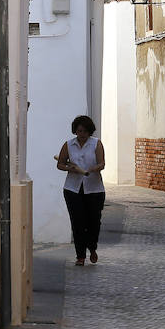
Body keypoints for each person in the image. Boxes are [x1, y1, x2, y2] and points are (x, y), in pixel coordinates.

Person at [54, 114, 106, 266]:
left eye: (84, 131)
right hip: (73, 189)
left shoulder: (96, 144)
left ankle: (92, 247)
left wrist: (92, 169)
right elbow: (60, 164)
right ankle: (80, 256)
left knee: (94, 221)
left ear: (89, 131)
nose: (81, 134)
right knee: (78, 222)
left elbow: (102, 163)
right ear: (75, 131)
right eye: (78, 131)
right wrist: (71, 169)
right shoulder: (68, 145)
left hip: (94, 189)